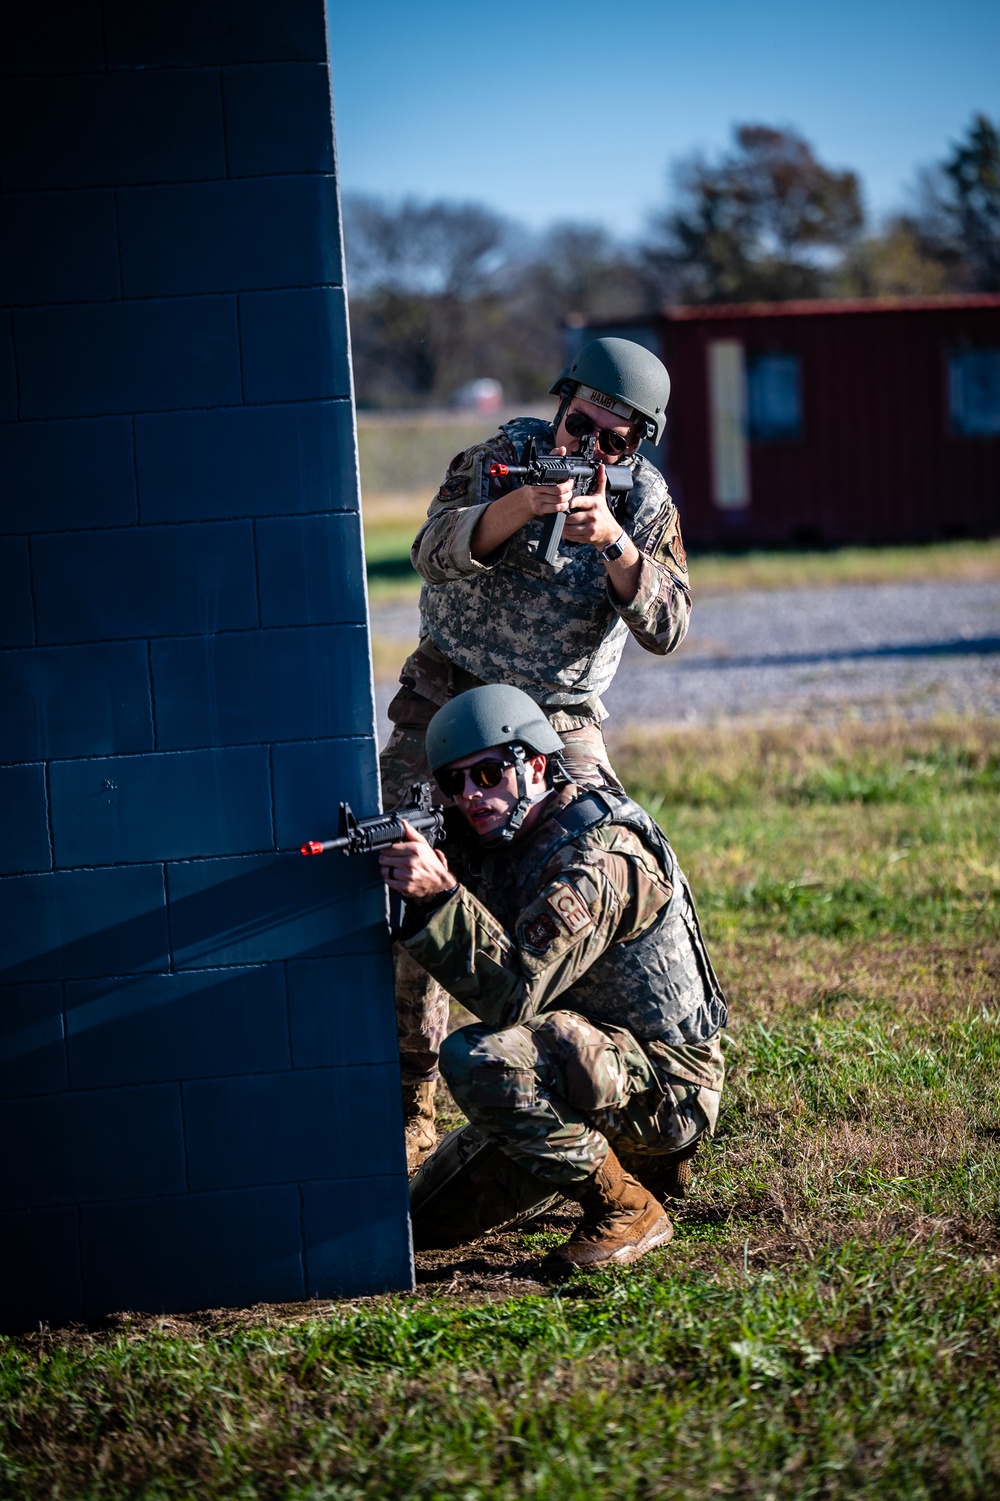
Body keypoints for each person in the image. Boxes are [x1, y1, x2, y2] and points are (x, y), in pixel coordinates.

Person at [382, 337, 692, 1169]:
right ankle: (411, 1097)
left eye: (615, 442)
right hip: (449, 695)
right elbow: (429, 553)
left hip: (556, 720)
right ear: (561, 403)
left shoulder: (646, 503)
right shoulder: (496, 459)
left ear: (638, 447)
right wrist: (515, 509)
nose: (589, 447)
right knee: (401, 866)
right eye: (581, 422)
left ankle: (615, 1075)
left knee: (601, 863)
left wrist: (616, 545)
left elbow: (668, 626)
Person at [379, 685, 726, 1274]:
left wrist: (439, 898)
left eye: (488, 773)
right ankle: (619, 1159)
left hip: (667, 1087)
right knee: (419, 1224)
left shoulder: (599, 858)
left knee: (480, 1057)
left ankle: (627, 1207)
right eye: (455, 783)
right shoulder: (498, 834)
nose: (472, 797)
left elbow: (513, 995)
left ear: (536, 763)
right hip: (581, 1065)